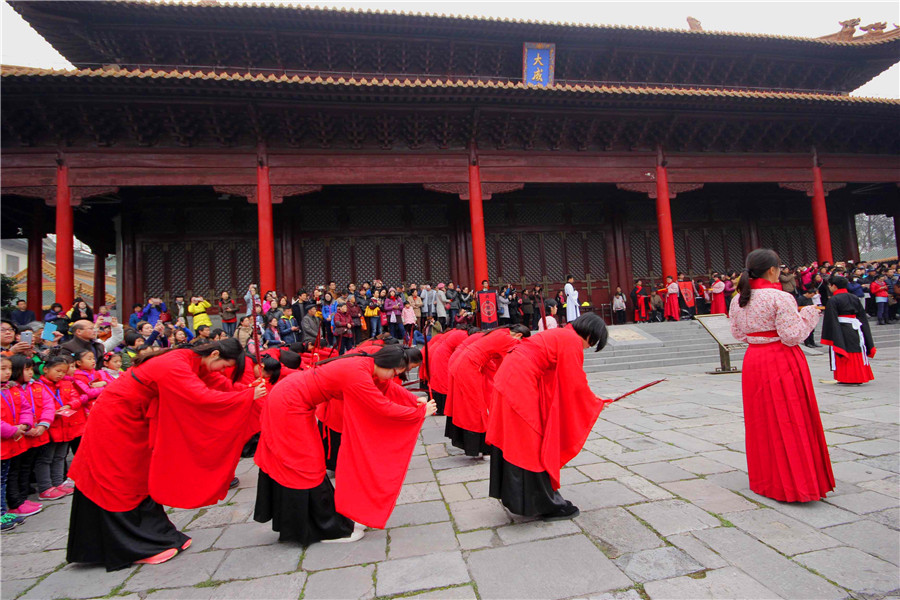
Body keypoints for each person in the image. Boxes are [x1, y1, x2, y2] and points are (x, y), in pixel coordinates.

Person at [66, 339, 267, 571]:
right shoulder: (176, 364)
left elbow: (220, 385)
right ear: (213, 354)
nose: (222, 371)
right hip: (116, 419)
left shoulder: (194, 361)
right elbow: (201, 397)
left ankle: (151, 536)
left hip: (136, 419)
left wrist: (247, 390)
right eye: (223, 365)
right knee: (119, 478)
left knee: (138, 477)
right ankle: (131, 545)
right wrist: (246, 398)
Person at [255, 345, 434, 541]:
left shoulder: (368, 364)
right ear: (386, 363)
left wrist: (414, 401)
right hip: (288, 404)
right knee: (306, 463)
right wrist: (416, 413)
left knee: (309, 461)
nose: (393, 376)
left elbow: (386, 387)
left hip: (294, 399)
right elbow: (380, 407)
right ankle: (328, 529)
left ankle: (323, 522)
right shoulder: (358, 374)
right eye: (394, 372)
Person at [729, 248, 834, 503]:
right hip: (781, 358)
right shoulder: (781, 297)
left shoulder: (738, 299)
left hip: (754, 359)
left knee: (762, 420)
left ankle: (767, 479)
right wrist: (809, 315)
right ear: (773, 270)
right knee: (790, 417)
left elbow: (738, 335)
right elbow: (792, 336)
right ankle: (797, 481)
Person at [487, 314, 610, 520]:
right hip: (519, 381)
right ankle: (543, 504)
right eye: (592, 343)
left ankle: (521, 498)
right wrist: (595, 403)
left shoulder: (562, 334)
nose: (588, 348)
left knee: (519, 438)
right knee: (530, 441)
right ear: (589, 334)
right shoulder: (571, 340)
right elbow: (575, 382)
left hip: (511, 376)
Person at [445, 325, 529, 457]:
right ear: (518, 336)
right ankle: (480, 445)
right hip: (469, 366)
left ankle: (477, 444)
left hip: (466, 363)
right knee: (476, 407)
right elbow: (521, 354)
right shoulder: (507, 339)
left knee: (471, 405)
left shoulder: (499, 333)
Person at [821, 276, 876, 385]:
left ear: (834, 286)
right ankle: (859, 376)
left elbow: (831, 318)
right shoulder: (854, 297)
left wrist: (832, 333)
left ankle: (848, 377)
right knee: (856, 350)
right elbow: (862, 316)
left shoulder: (833, 300)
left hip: (841, 328)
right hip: (856, 327)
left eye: (830, 285)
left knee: (844, 349)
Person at [426, 326, 469, 415]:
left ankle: (438, 407)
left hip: (438, 352)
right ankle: (442, 408)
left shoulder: (457, 332)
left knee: (439, 380)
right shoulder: (463, 334)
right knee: (444, 382)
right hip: (443, 356)